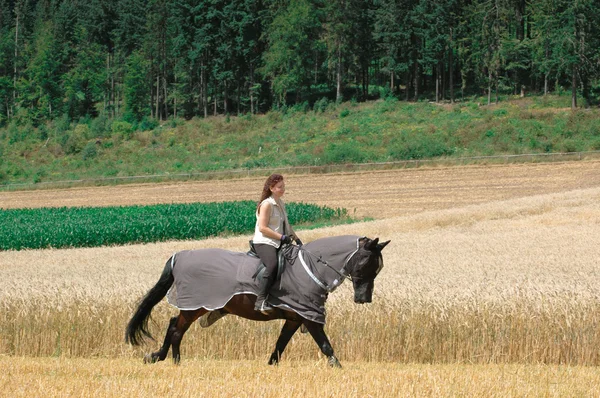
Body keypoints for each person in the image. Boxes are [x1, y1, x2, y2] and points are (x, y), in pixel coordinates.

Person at [252, 173, 302, 314]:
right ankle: (260, 301)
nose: (283, 189)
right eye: (280, 187)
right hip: (265, 242)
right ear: (272, 188)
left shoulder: (280, 203)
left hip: (279, 241)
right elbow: (263, 228)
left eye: (283, 186)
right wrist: (281, 237)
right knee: (272, 265)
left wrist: (296, 239)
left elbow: (287, 225)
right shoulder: (267, 204)